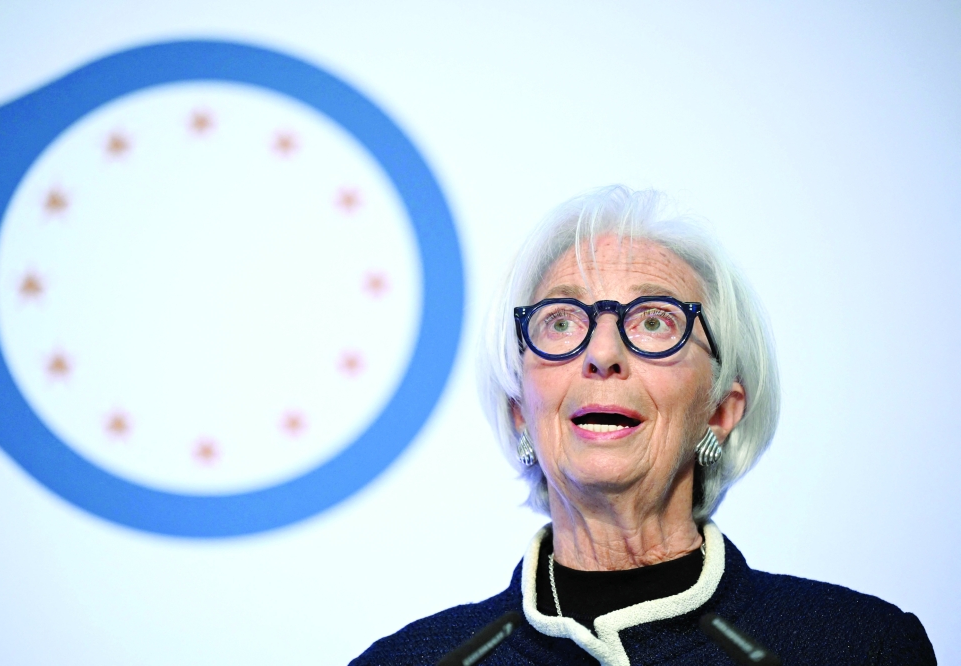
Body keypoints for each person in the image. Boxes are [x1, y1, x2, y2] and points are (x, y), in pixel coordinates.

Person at [350, 186, 936, 665]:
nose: (603, 352)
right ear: (519, 412)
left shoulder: (861, 647)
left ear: (720, 411)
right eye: (561, 321)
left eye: (655, 321)